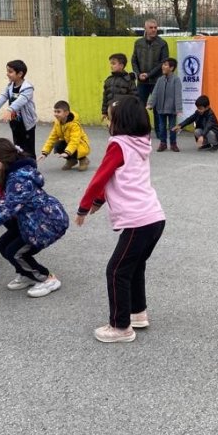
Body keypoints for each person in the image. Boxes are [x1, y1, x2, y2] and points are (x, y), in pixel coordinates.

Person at [75, 96, 165, 343]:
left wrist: (83, 207)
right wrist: (98, 202)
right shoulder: (141, 142)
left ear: (120, 122)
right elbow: (121, 179)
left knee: (116, 270)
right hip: (154, 218)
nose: (107, 122)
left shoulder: (118, 144)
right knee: (133, 267)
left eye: (110, 117)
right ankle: (138, 313)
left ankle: (120, 327)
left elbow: (101, 176)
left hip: (139, 221)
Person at [0, 138, 69, 298]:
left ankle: (46, 278)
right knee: (4, 244)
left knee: (15, 251)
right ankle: (27, 274)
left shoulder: (19, 180)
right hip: (30, 221)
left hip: (46, 223)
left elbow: (4, 209)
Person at [0, 59, 37, 157]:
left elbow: (21, 100)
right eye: (7, 71)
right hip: (15, 123)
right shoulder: (10, 86)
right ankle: (20, 167)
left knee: (28, 149)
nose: (7, 74)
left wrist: (10, 109)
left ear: (20, 74)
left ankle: (32, 168)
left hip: (27, 124)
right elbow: (2, 97)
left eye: (10, 72)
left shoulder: (28, 88)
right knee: (17, 147)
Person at [39, 100, 91, 171]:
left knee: (76, 147)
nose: (56, 114)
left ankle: (83, 160)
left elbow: (74, 141)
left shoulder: (74, 125)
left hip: (80, 144)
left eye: (58, 112)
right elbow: (52, 138)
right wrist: (44, 153)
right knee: (57, 145)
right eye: (55, 111)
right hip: (69, 143)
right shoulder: (57, 123)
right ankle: (72, 160)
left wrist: (67, 152)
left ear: (66, 113)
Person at [145, 57, 183, 152]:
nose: (163, 66)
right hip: (160, 108)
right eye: (163, 64)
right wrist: (150, 104)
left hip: (172, 109)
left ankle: (173, 144)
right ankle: (163, 143)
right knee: (161, 127)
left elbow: (178, 95)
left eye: (165, 65)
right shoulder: (160, 80)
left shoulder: (176, 80)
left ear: (171, 68)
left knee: (172, 127)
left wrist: (178, 109)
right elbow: (155, 93)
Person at [131, 19, 169, 109]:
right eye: (151, 27)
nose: (153, 30)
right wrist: (138, 74)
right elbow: (134, 60)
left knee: (158, 108)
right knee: (139, 108)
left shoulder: (162, 43)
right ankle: (141, 124)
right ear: (145, 28)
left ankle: (158, 124)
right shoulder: (138, 43)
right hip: (142, 82)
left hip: (157, 81)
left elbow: (163, 62)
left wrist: (149, 74)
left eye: (155, 27)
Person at [101, 53, 136, 120]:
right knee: (113, 130)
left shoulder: (129, 80)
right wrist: (104, 112)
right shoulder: (108, 80)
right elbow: (105, 98)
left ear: (121, 65)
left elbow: (134, 97)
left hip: (124, 114)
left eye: (113, 64)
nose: (111, 66)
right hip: (111, 113)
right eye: (111, 64)